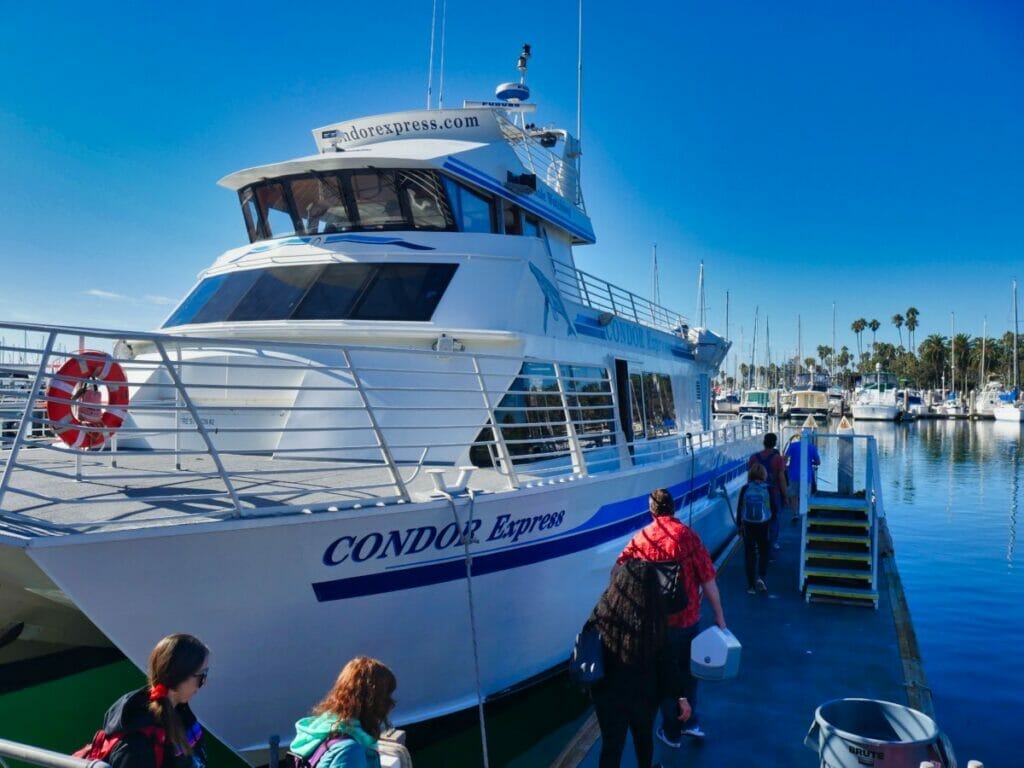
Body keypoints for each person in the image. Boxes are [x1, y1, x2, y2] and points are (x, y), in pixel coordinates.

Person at [616, 488, 726, 747]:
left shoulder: (642, 538)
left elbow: (617, 571)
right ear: (673, 508)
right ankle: (691, 723)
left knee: (665, 677)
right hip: (688, 621)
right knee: (689, 673)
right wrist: (720, 617)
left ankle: (672, 732)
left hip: (656, 625)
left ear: (651, 511)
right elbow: (708, 580)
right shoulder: (688, 537)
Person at [589, 559, 687, 768]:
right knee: (643, 739)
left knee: (611, 746)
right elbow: (667, 664)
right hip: (645, 695)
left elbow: (589, 645)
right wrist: (681, 696)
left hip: (608, 695)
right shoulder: (654, 620)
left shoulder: (602, 612)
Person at [97, 633, 209, 768]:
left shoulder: (180, 713)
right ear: (178, 676)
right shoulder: (138, 744)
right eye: (201, 675)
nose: (205, 682)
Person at [290, 657, 397, 768]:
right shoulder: (350, 751)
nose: (391, 703)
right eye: (386, 695)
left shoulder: (322, 728)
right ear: (371, 699)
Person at [748, 433, 788, 550]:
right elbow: (781, 479)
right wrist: (785, 496)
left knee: (756, 518)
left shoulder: (754, 458)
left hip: (755, 492)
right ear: (774, 443)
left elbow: (749, 478)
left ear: (764, 442)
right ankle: (772, 542)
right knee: (774, 518)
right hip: (773, 493)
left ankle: (756, 543)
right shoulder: (777, 459)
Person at [737, 464, 772, 594]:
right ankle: (761, 577)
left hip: (748, 524)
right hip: (763, 524)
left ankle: (751, 586)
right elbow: (772, 508)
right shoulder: (767, 489)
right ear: (764, 475)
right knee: (764, 551)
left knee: (749, 554)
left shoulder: (745, 488)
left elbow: (740, 508)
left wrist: (739, 526)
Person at [785, 431, 821, 519]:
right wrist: (811, 461)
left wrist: (787, 466)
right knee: (805, 496)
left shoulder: (793, 446)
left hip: (793, 475)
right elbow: (818, 462)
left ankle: (795, 513)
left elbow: (785, 458)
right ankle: (805, 514)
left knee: (794, 495)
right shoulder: (812, 447)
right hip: (807, 476)